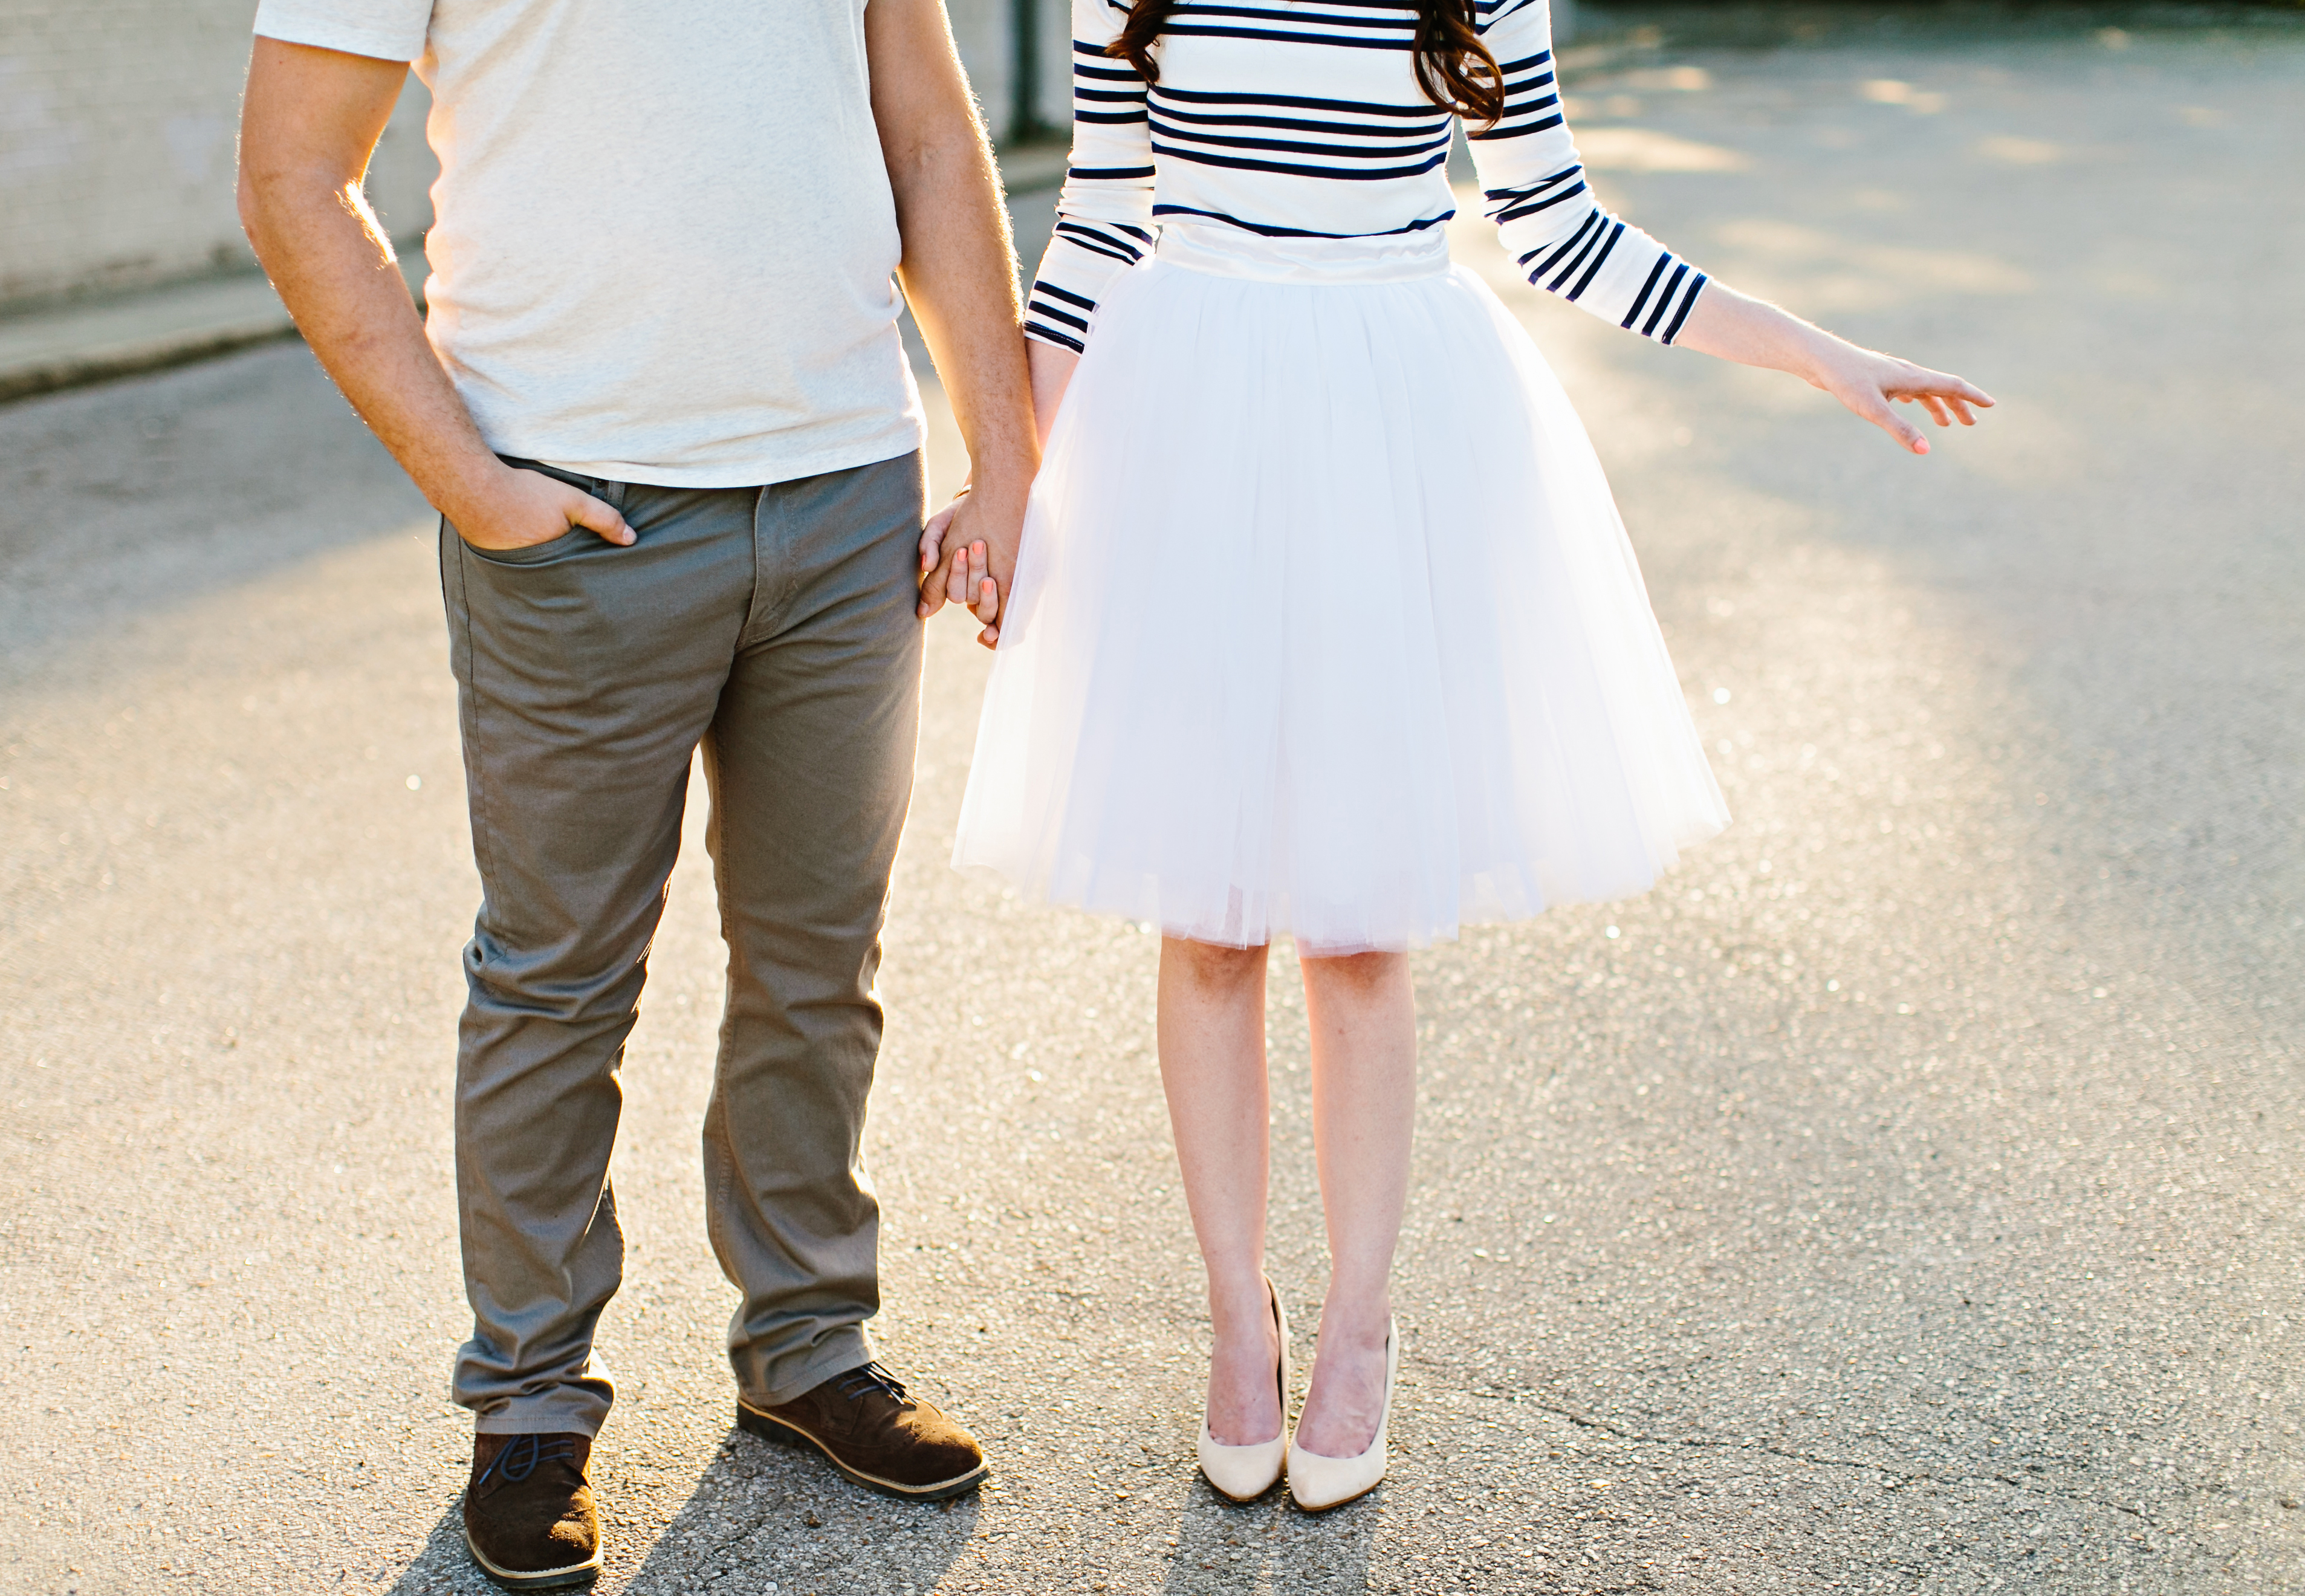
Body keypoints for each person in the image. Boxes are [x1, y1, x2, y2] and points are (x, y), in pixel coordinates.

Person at [939, 0, 1991, 1513]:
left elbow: (1559, 231)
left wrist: (1816, 354)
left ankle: (1358, 1333)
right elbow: (1097, 238)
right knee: (1210, 918)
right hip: (1187, 430)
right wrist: (1000, 491)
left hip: (1388, 438)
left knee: (1358, 930)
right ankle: (1241, 1325)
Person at [236, 1, 1037, 1585]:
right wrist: (473, 485)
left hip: (840, 496)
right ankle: (529, 1404)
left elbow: (933, 135)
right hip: (574, 506)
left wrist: (1001, 456)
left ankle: (809, 1350)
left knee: (820, 964)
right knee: (558, 977)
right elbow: (291, 174)